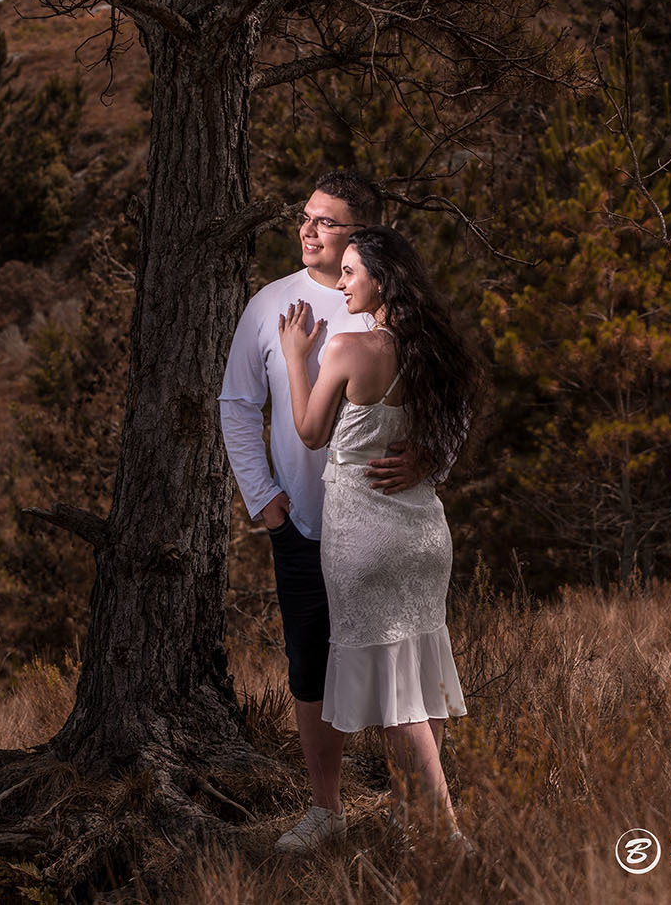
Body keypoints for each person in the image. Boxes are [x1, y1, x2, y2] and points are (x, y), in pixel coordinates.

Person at [218, 170, 426, 854]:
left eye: (325, 222)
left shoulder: (389, 311)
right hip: (303, 522)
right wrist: (266, 501)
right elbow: (239, 407)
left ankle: (414, 812)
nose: (307, 230)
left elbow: (447, 403)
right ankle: (326, 808)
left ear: (360, 235)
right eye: (305, 217)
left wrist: (431, 463)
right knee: (310, 663)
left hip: (380, 523)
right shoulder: (269, 305)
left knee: (397, 665)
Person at [278, 225, 478, 844]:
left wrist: (292, 354)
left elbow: (312, 432)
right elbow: (458, 423)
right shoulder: (436, 353)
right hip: (422, 531)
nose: (341, 283)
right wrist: (429, 460)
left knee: (398, 698)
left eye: (351, 273)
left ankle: (444, 836)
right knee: (418, 672)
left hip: (365, 534)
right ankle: (417, 818)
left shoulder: (346, 347)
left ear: (382, 281)